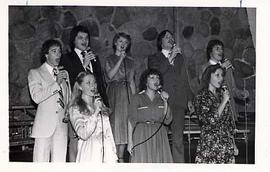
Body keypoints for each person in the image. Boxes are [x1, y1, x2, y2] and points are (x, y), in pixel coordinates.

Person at [60, 25, 108, 162]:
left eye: (86, 38)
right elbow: (74, 81)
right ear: (73, 40)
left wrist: (104, 102)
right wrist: (84, 65)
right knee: (76, 141)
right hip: (78, 104)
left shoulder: (94, 58)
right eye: (80, 37)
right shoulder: (67, 58)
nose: (84, 41)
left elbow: (100, 81)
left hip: (94, 104)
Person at [148, 30, 193, 163]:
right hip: (161, 102)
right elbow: (155, 76)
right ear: (160, 42)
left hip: (178, 102)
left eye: (172, 36)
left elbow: (185, 79)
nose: (171, 38)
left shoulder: (180, 58)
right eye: (167, 37)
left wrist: (189, 99)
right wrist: (170, 59)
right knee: (160, 137)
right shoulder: (154, 58)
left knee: (178, 139)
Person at [28, 39, 70, 162]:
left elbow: (67, 96)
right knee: (41, 163)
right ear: (46, 55)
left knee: (59, 163)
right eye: (54, 51)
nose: (58, 54)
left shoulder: (64, 73)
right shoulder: (35, 73)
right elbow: (36, 97)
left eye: (59, 52)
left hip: (62, 126)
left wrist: (67, 109)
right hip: (44, 127)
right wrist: (56, 83)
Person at [68, 71, 118, 162]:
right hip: (90, 152)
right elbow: (83, 134)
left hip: (107, 151)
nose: (93, 86)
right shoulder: (75, 108)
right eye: (88, 83)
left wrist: (114, 152)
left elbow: (108, 131)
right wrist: (95, 113)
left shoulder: (99, 104)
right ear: (80, 86)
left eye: (94, 82)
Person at [193, 64, 238, 163]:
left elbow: (228, 123)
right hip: (210, 145)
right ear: (209, 76)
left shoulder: (222, 95)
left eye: (222, 75)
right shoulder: (201, 96)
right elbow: (209, 120)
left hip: (226, 146)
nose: (221, 78)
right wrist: (223, 102)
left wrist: (233, 144)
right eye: (217, 75)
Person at [127, 69, 173, 163]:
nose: (155, 80)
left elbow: (167, 120)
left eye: (157, 78)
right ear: (146, 82)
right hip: (141, 134)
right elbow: (131, 120)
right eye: (152, 77)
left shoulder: (162, 98)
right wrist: (130, 142)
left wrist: (165, 102)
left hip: (159, 135)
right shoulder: (137, 98)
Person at [104, 32, 136, 162]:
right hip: (114, 93)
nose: (123, 44)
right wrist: (121, 59)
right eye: (121, 41)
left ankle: (122, 157)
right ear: (115, 43)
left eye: (126, 43)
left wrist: (135, 100)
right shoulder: (109, 59)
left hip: (127, 92)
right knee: (115, 123)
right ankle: (113, 156)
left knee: (125, 123)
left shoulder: (131, 62)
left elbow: (132, 81)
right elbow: (110, 76)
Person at [199, 39, 249, 121]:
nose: (221, 51)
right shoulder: (204, 68)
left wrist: (241, 94)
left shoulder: (227, 68)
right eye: (217, 49)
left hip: (229, 112)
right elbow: (204, 87)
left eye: (222, 49)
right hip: (213, 111)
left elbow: (233, 89)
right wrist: (222, 68)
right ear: (210, 52)